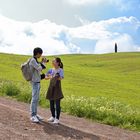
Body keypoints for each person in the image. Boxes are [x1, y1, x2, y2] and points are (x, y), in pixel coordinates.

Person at [29, 47, 48, 123]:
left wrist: (42, 62)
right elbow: (39, 68)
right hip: (34, 82)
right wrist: (43, 62)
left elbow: (39, 69)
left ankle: (35, 114)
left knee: (36, 99)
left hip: (37, 81)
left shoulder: (35, 60)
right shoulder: (33, 60)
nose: (41, 55)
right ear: (37, 53)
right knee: (34, 99)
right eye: (40, 54)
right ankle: (33, 115)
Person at [45, 57, 64, 124]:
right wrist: (50, 76)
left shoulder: (60, 70)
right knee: (51, 103)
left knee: (57, 104)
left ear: (58, 63)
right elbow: (46, 77)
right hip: (51, 87)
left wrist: (56, 76)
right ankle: (53, 116)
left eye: (54, 61)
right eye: (52, 61)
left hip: (57, 88)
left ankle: (57, 119)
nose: (52, 62)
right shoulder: (50, 69)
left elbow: (61, 78)